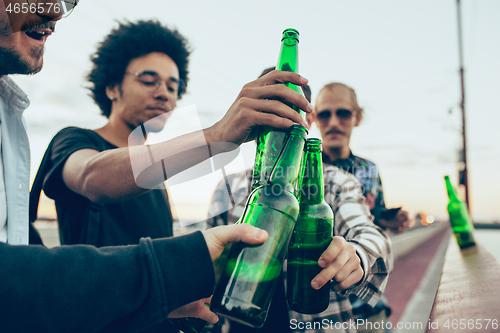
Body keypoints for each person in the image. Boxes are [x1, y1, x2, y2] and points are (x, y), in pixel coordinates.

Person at [0, 1, 312, 332]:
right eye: (149, 80)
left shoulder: (160, 177)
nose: (163, 93)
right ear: (112, 87)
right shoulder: (74, 140)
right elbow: (94, 178)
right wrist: (218, 135)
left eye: (173, 86)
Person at [206, 70, 392, 333]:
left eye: (291, 108)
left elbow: (371, 234)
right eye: (269, 107)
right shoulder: (228, 188)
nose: (280, 117)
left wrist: (357, 256)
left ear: (307, 119)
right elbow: (207, 261)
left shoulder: (335, 182)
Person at [308, 82, 412, 234]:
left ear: (358, 117)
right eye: (324, 114)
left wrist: (391, 219)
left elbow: (376, 216)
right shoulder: (303, 166)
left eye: (343, 113)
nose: (334, 122)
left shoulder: (370, 169)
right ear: (315, 119)